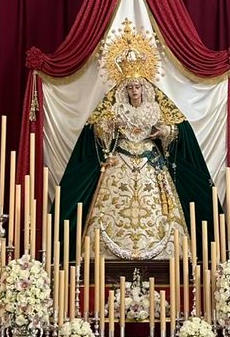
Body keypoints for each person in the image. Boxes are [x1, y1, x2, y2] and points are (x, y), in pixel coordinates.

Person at [59, 75, 215, 260]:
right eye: (130, 87)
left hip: (149, 160)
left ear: (143, 89)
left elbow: (175, 129)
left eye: (137, 87)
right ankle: (103, 254)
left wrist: (163, 131)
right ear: (125, 90)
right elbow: (97, 129)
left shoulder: (154, 109)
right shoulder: (117, 109)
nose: (134, 91)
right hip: (120, 160)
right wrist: (111, 125)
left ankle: (165, 253)